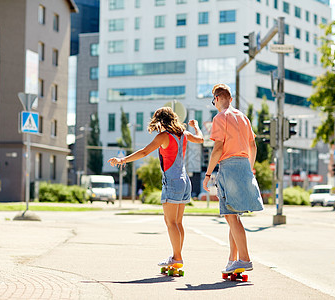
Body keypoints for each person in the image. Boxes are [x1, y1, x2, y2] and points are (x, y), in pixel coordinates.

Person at [108, 107, 203, 267]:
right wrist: (196, 126)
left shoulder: (164, 137)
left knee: (170, 222)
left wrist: (122, 160)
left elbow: (144, 152)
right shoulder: (184, 134)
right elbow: (200, 139)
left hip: (172, 181)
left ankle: (177, 258)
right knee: (178, 222)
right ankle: (176, 256)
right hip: (185, 181)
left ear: (160, 121)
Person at [202, 83, 263, 275]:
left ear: (218, 98)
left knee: (230, 216)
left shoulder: (220, 117)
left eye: (214, 101)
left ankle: (244, 259)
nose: (214, 104)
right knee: (233, 217)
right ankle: (232, 260)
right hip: (245, 165)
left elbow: (218, 148)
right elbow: (253, 146)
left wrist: (208, 174)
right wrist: (249, 168)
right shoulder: (243, 118)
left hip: (229, 167)